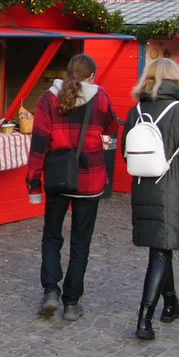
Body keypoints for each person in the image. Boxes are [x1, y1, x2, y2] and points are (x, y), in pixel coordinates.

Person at [27, 53, 119, 322]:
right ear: (92, 76)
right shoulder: (100, 97)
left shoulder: (48, 99)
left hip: (58, 178)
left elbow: (39, 144)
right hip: (90, 179)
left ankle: (51, 292)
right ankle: (71, 303)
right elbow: (112, 125)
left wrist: (33, 181)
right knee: (81, 242)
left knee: (52, 236)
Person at [123, 59, 179, 341]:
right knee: (161, 251)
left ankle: (171, 303)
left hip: (142, 185)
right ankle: (144, 319)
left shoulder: (135, 110)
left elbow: (126, 152)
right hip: (171, 186)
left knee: (161, 246)